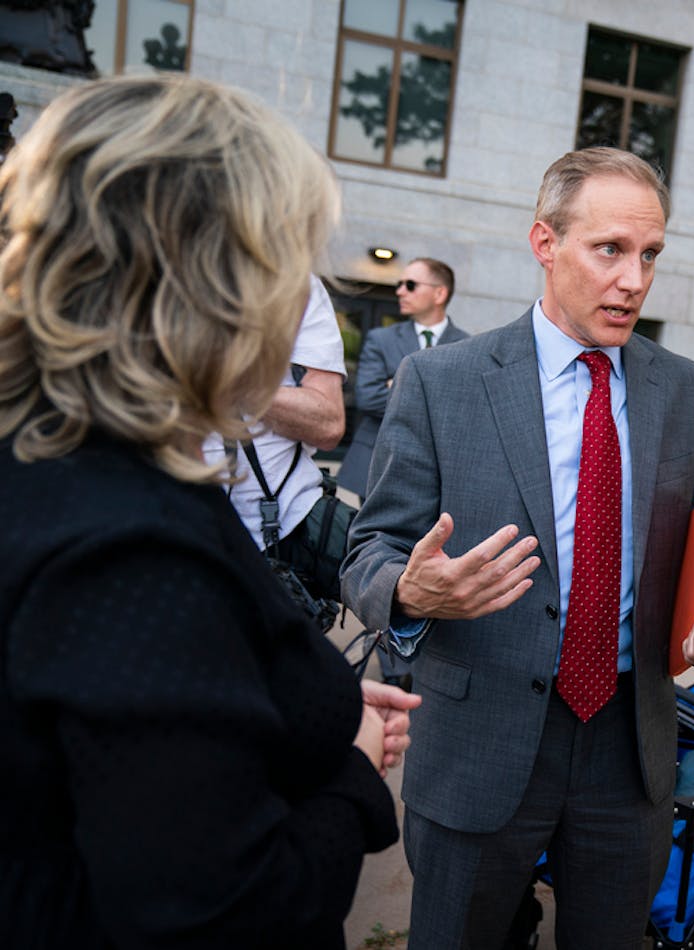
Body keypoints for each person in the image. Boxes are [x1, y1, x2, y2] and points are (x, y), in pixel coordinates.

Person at [0, 75, 421, 948]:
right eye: (282, 264)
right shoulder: (128, 546)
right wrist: (349, 774)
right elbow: (219, 912)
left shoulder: (52, 449)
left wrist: (301, 699)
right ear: (216, 285)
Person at [341, 146, 694, 949]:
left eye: (650, 255)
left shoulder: (683, 390)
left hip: (628, 749)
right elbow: (370, 550)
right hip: (479, 740)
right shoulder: (444, 383)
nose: (634, 279)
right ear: (545, 243)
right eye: (610, 250)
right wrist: (412, 592)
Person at [200, 275, 346, 552]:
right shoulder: (136, 273)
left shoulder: (294, 285)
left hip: (275, 528)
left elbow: (328, 424)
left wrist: (224, 379)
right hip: (158, 521)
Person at [337, 256, 469, 502]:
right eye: (400, 284)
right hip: (377, 465)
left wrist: (397, 385)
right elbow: (368, 398)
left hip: (437, 474)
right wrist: (435, 395)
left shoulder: (467, 345)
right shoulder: (381, 339)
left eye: (410, 285)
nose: (399, 291)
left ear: (439, 293)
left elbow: (462, 410)